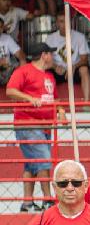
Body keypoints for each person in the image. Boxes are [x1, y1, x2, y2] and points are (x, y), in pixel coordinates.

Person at [6, 41, 57, 211]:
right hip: (28, 123)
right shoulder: (24, 71)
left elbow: (54, 98)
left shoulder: (49, 76)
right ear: (44, 55)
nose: (52, 56)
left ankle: (27, 202)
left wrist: (61, 110)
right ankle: (48, 200)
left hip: (43, 126)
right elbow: (10, 91)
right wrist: (30, 99)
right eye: (50, 53)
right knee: (43, 161)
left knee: (32, 164)